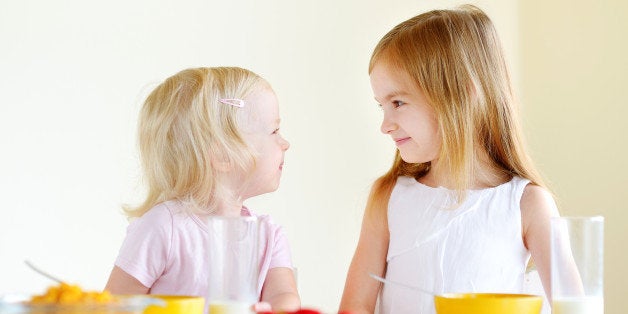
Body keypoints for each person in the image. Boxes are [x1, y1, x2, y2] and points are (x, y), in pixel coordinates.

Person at [339, 5, 558, 314]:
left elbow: (576, 306)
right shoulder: (388, 198)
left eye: (398, 102)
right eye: (381, 106)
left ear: (464, 95)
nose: (385, 124)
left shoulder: (527, 204)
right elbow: (354, 308)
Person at [105, 67, 300, 313]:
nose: (285, 143)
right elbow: (112, 304)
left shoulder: (269, 235)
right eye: (274, 131)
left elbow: (285, 295)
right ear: (222, 155)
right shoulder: (164, 227)